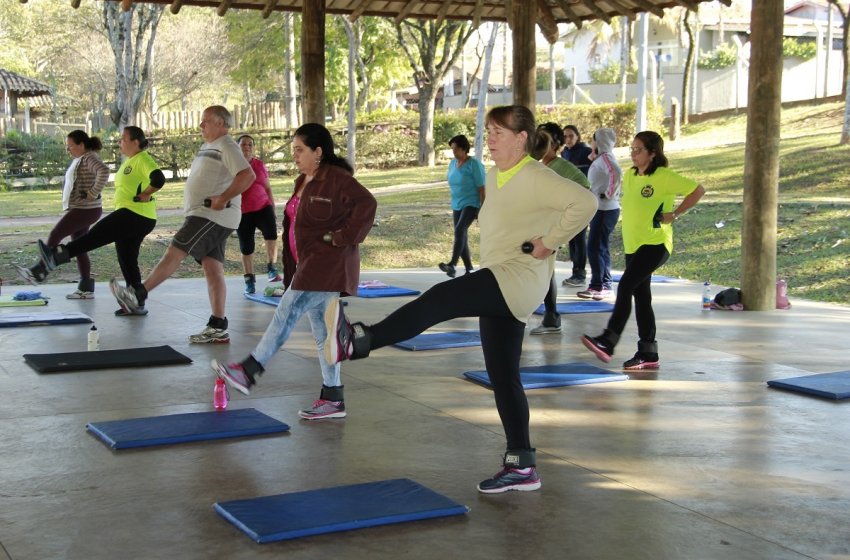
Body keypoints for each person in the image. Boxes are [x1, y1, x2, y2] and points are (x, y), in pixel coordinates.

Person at [321, 106, 597, 493]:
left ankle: (361, 340)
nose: (491, 138)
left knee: (440, 298)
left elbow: (586, 203)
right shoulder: (499, 174)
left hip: (516, 277)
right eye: (488, 130)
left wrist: (549, 242)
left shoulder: (536, 175)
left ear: (522, 138)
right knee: (504, 377)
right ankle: (521, 464)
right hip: (503, 277)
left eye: (499, 131)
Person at [213, 123, 377, 420]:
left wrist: (342, 236)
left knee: (286, 311)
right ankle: (333, 397)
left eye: (300, 150)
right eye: (293, 150)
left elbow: (367, 203)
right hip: (307, 265)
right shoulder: (304, 180)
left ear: (318, 152)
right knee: (324, 334)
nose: (295, 155)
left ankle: (250, 370)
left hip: (325, 265)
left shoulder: (337, 179)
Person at [109, 105, 256, 343]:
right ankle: (218, 325)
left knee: (175, 250)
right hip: (204, 214)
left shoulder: (227, 145)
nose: (201, 125)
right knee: (213, 268)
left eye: (206, 121)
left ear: (221, 123)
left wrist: (223, 198)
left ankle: (138, 294)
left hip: (211, 215)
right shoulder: (211, 145)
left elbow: (247, 175)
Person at [581, 131, 705, 370]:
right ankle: (648, 353)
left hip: (656, 243)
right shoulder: (629, 175)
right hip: (633, 246)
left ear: (652, 153)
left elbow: (698, 190)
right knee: (642, 297)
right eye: (632, 149)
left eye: (638, 150)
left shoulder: (664, 176)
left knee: (626, 285)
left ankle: (609, 339)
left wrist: (675, 214)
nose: (633, 154)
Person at [24, 127, 165, 316]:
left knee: (94, 236)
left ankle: (56, 256)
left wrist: (146, 194)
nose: (119, 142)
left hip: (134, 214)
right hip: (138, 217)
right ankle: (135, 301)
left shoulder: (143, 159)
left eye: (123, 139)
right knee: (127, 259)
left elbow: (158, 178)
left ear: (135, 142)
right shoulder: (130, 161)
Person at [16, 130, 109, 297]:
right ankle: (86, 289)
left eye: (71, 146)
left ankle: (37, 272)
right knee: (80, 247)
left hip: (85, 209)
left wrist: (93, 193)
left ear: (81, 145)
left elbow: (104, 171)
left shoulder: (89, 158)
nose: (69, 150)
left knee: (55, 234)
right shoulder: (82, 158)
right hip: (84, 209)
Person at [528, 123, 590, 335]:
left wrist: (563, 216)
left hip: (552, 228)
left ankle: (552, 316)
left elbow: (585, 189)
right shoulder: (540, 166)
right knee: (543, 270)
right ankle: (549, 314)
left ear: (553, 145)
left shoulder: (561, 167)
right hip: (542, 225)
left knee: (546, 269)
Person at [577, 128, 622, 301]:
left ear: (600, 141)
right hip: (601, 209)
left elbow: (616, 173)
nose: (591, 142)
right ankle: (601, 285)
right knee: (599, 247)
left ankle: (601, 286)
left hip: (605, 209)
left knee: (595, 247)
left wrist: (610, 194)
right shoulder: (602, 158)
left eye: (593, 139)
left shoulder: (606, 158)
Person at [235, 134, 281, 295]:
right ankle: (249, 281)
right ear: (237, 147)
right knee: (246, 248)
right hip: (242, 212)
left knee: (271, 235)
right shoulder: (232, 166)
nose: (247, 147)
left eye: (250, 145)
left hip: (263, 206)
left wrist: (273, 207)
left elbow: (268, 188)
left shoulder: (259, 165)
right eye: (243, 144)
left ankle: (271, 268)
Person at [438, 134, 485, 278]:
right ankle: (469, 268)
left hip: (472, 203)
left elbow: (482, 189)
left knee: (459, 230)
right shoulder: (452, 164)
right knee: (461, 233)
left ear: (464, 149)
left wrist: (482, 210)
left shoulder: (474, 165)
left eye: (456, 149)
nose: (453, 152)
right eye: (452, 149)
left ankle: (452, 264)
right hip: (457, 204)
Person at [561, 124, 593, 288]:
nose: (568, 139)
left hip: (583, 201)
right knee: (571, 238)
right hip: (568, 202)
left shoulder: (586, 152)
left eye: (571, 136)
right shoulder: (564, 153)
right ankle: (575, 271)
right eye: (565, 136)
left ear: (578, 136)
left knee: (579, 238)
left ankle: (580, 273)